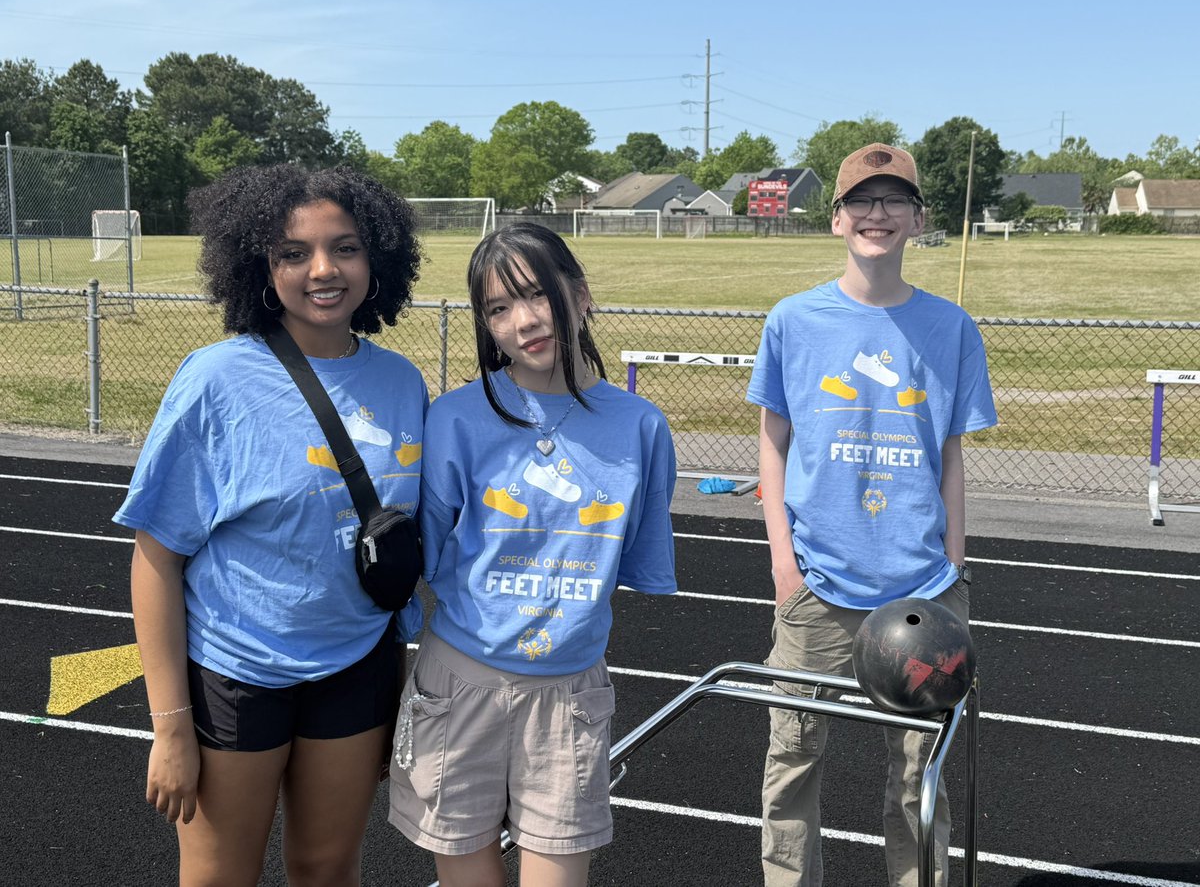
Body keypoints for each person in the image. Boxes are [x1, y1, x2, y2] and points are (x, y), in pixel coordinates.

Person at [113, 164, 426, 887]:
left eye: (345, 247)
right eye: (293, 253)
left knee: (327, 869)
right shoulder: (215, 379)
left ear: (376, 257)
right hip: (236, 675)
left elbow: (393, 542)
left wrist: (398, 673)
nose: (323, 269)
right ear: (260, 266)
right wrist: (171, 728)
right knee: (221, 876)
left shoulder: (402, 382)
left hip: (357, 669)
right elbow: (156, 556)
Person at [388, 222, 677, 887]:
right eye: (497, 308)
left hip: (569, 696)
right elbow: (426, 558)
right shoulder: (455, 418)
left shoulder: (640, 427)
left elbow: (634, 565)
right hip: (458, 686)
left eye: (535, 295)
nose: (522, 321)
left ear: (580, 295)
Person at [748, 143, 997, 887]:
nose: (877, 214)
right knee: (791, 766)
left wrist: (953, 565)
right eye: (861, 200)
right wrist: (784, 567)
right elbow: (771, 445)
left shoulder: (950, 328)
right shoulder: (794, 322)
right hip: (817, 590)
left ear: (917, 219)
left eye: (893, 201)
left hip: (922, 589)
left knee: (921, 780)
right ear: (836, 220)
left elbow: (951, 455)